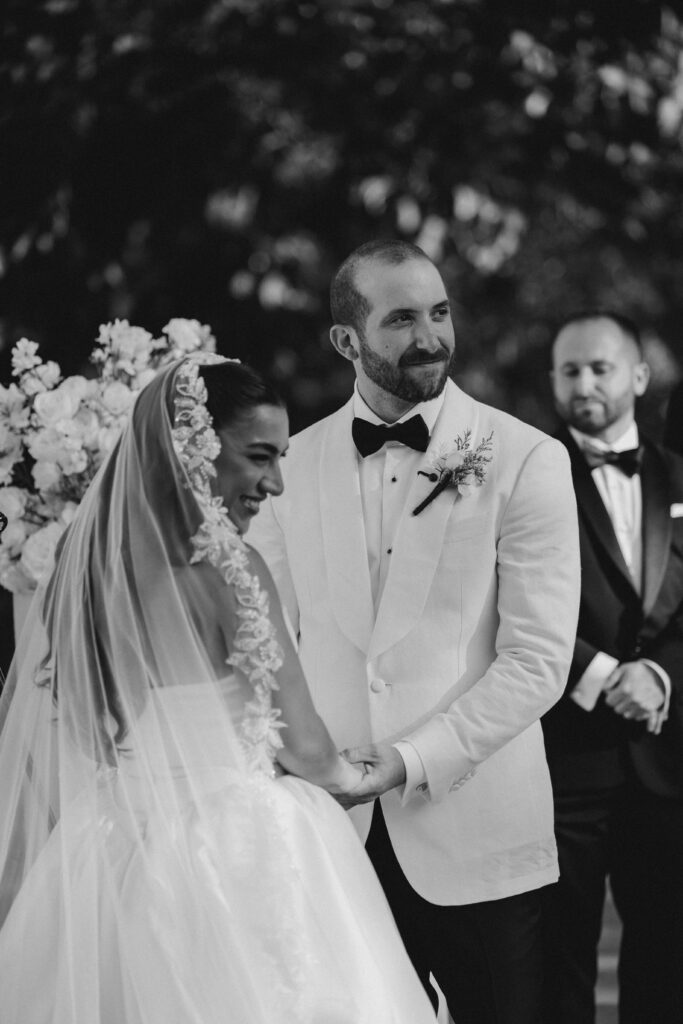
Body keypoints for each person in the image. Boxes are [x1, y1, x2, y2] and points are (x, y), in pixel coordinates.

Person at [0, 355, 437, 1024]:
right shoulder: (231, 569)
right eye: (259, 456)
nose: (275, 483)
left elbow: (84, 727)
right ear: (191, 451)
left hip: (113, 846)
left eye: (280, 459)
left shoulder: (80, 566)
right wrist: (352, 776)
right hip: (237, 849)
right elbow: (305, 745)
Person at [248, 239, 581, 1024]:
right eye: (400, 320)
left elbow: (536, 661)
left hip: (479, 833)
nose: (430, 337)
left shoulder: (524, 458)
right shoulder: (289, 466)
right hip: (336, 838)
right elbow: (265, 644)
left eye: (438, 313)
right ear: (346, 340)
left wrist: (405, 761)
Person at [542, 310, 683, 1024]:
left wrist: (656, 675)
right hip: (562, 759)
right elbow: (506, 601)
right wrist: (599, 675)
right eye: (569, 370)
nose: (584, 383)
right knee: (560, 962)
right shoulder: (527, 476)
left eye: (600, 368)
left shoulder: (678, 476)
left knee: (664, 957)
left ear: (639, 375)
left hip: (664, 760)